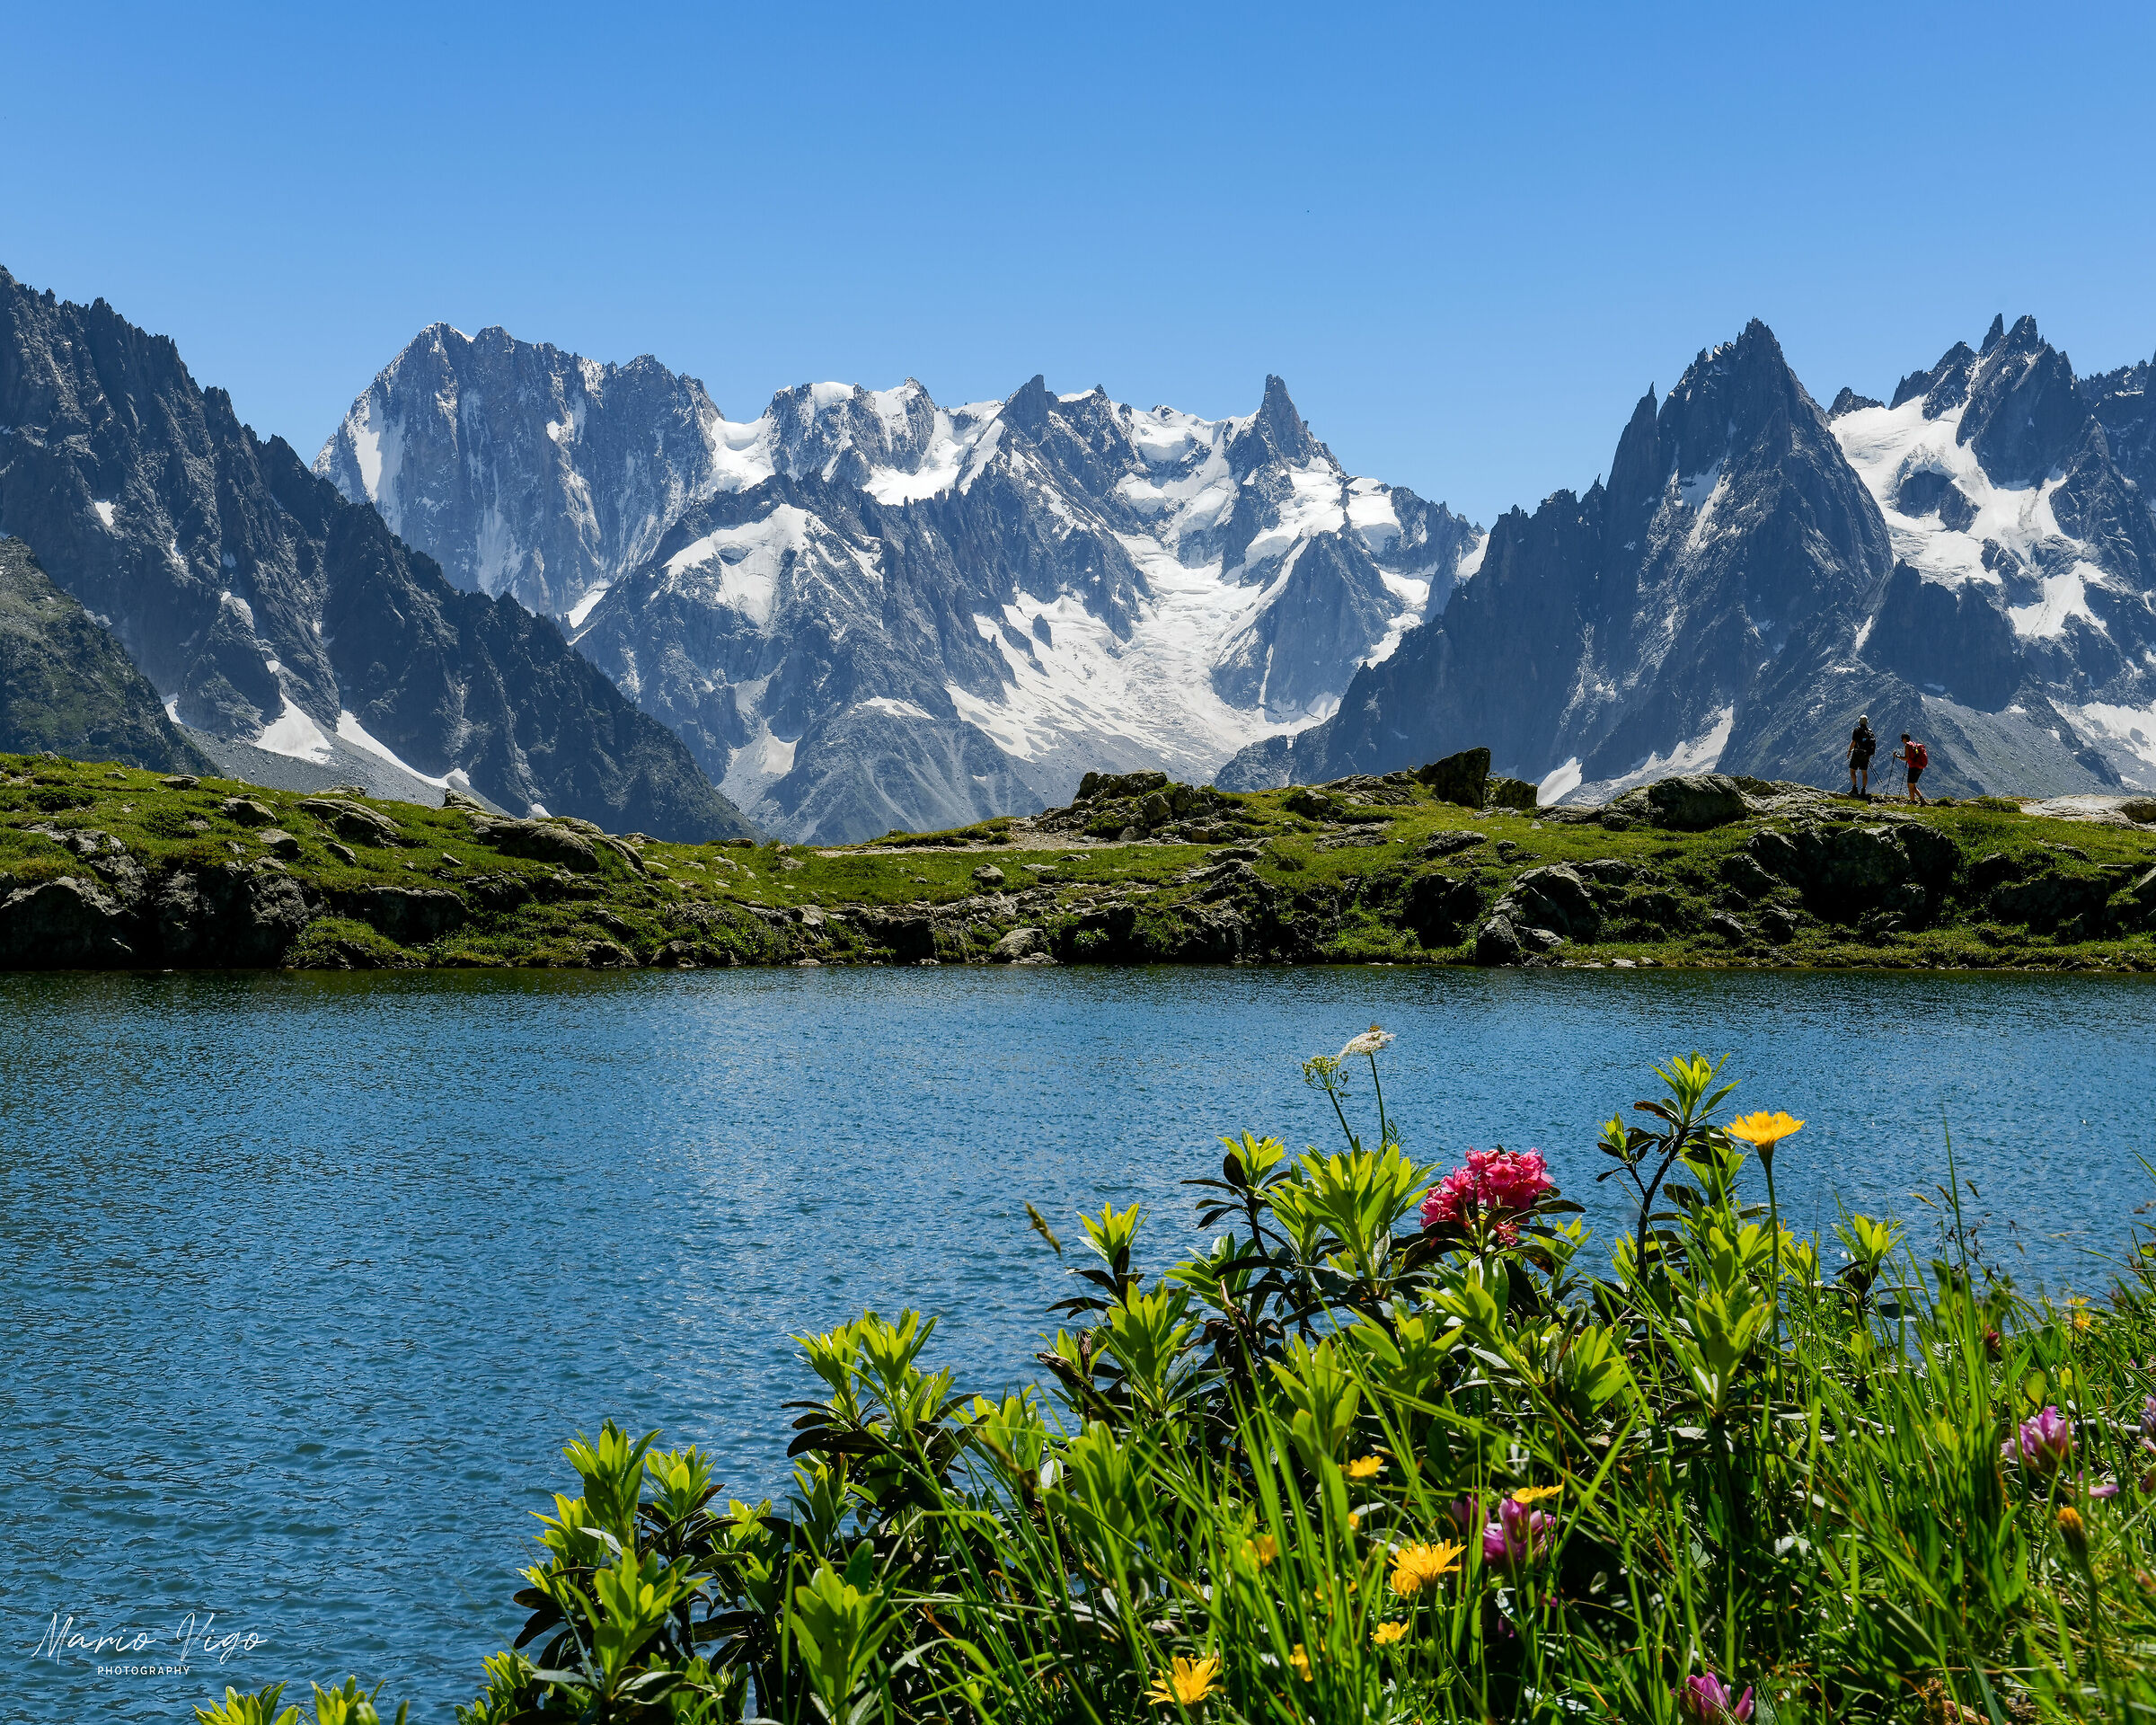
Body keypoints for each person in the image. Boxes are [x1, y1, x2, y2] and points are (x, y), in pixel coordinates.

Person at [1894, 732, 1929, 804]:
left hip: (1913, 768)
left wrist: (1897, 756)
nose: (1901, 741)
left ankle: (1913, 801)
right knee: (1912, 785)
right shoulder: (1913, 744)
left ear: (1905, 739)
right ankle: (1921, 799)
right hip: (1919, 767)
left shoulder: (1907, 745)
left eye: (1902, 739)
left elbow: (1906, 758)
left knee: (1910, 785)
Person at [1847, 715, 1877, 798]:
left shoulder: (1857, 730)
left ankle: (1854, 788)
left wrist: (1849, 751)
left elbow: (1854, 742)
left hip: (1857, 753)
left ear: (1859, 722)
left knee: (1852, 770)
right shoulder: (1870, 731)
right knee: (1864, 772)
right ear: (1866, 722)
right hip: (1866, 755)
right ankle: (1863, 790)